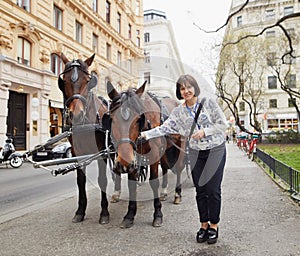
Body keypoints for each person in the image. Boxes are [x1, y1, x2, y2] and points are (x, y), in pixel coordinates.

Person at [140, 74, 227, 244]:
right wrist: (145, 134)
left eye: (189, 87)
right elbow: (165, 127)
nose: (186, 91)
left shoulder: (207, 103)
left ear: (195, 88)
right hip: (195, 152)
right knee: (200, 190)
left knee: (212, 189)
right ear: (179, 92)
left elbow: (223, 124)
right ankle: (203, 225)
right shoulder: (179, 111)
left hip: (215, 150)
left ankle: (214, 226)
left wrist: (204, 132)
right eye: (182, 88)